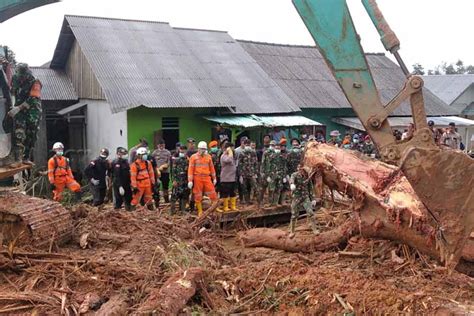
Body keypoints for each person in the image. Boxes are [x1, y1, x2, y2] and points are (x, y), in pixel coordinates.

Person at [8, 63, 42, 165]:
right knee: (19, 132)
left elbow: (33, 98)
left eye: (23, 75)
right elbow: (13, 91)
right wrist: (13, 105)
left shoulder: (35, 81)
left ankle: (26, 158)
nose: (22, 78)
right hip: (19, 110)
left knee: (31, 134)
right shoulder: (15, 77)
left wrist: (18, 108)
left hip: (33, 110)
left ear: (27, 72)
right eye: (20, 75)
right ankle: (17, 159)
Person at [289, 165, 321, 237]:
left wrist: (313, 199)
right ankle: (292, 231)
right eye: (304, 172)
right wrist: (292, 184)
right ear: (301, 170)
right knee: (294, 215)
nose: (305, 174)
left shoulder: (307, 177)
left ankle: (315, 230)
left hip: (305, 197)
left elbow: (310, 188)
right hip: (296, 198)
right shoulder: (295, 175)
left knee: (311, 213)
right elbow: (291, 180)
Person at [188, 141, 218, 217]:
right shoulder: (193, 157)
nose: (202, 151)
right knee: (198, 194)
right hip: (197, 177)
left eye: (204, 149)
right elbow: (190, 169)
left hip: (207, 177)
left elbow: (212, 168)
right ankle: (200, 211)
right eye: (201, 149)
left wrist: (214, 178)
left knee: (212, 192)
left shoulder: (208, 157)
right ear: (198, 149)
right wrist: (190, 181)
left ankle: (214, 208)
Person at [170, 145, 190, 214]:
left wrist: (189, 181)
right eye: (181, 151)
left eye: (183, 151)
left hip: (185, 181)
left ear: (186, 152)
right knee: (174, 196)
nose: (182, 152)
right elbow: (173, 171)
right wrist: (174, 180)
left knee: (184, 196)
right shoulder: (176, 160)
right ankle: (172, 211)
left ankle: (182, 210)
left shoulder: (188, 161)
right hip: (177, 181)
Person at [238, 139, 258, 205]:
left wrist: (256, 173)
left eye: (248, 145)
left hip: (252, 173)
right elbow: (240, 164)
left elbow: (256, 163)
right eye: (246, 145)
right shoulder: (242, 152)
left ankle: (258, 202)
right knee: (245, 188)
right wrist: (240, 175)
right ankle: (247, 201)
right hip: (244, 174)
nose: (247, 146)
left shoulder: (253, 152)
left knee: (254, 187)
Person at [111, 147, 132, 211]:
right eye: (122, 153)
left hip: (127, 184)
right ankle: (117, 215)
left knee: (128, 199)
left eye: (125, 153)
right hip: (119, 184)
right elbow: (117, 176)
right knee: (118, 201)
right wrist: (120, 186)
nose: (124, 155)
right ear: (118, 154)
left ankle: (128, 213)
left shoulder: (126, 162)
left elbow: (128, 173)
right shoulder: (116, 162)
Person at [220, 142, 237, 212]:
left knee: (233, 193)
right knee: (225, 193)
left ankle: (232, 206)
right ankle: (225, 206)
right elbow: (229, 160)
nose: (233, 149)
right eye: (232, 148)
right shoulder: (224, 156)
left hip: (232, 178)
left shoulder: (232, 155)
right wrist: (229, 152)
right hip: (226, 178)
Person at [259, 140, 276, 205]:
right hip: (266, 173)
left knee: (271, 188)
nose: (273, 146)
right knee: (263, 188)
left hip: (272, 173)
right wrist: (262, 172)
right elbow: (263, 163)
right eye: (272, 145)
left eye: (274, 145)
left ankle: (270, 202)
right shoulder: (266, 152)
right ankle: (260, 201)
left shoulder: (276, 153)